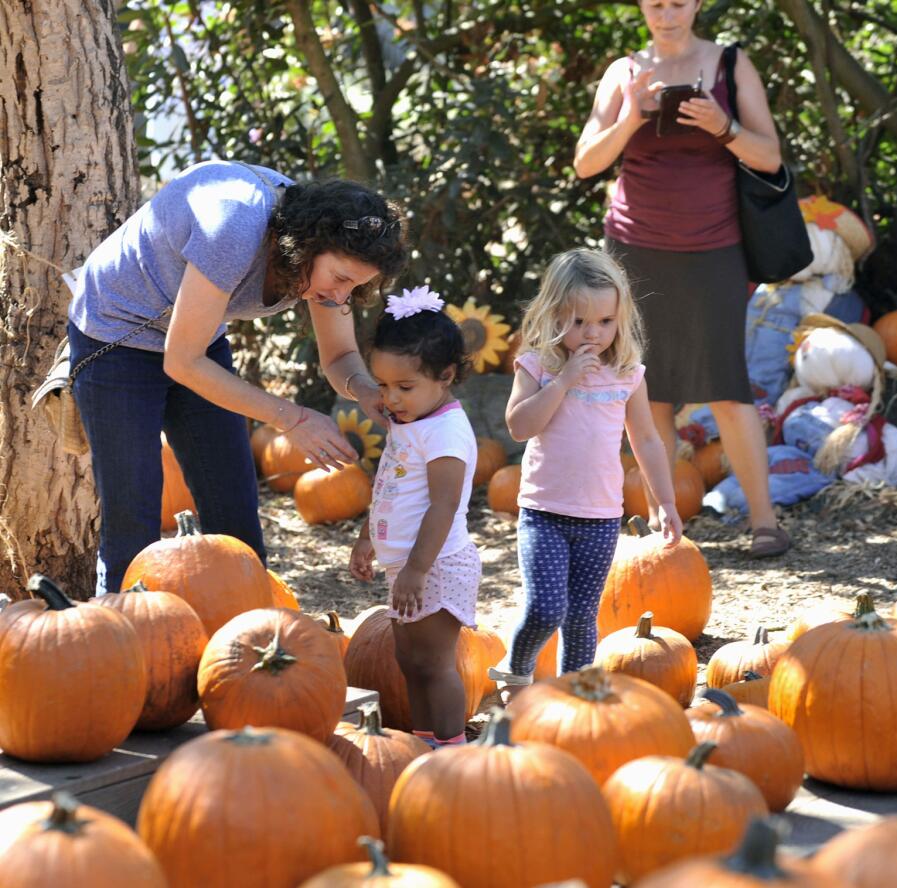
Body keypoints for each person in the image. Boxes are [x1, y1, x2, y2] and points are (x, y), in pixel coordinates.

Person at [67, 159, 404, 594]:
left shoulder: (331, 257)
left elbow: (339, 355)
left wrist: (364, 391)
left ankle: (247, 632)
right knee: (134, 512)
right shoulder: (234, 226)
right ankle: (124, 638)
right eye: (338, 278)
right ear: (306, 245)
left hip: (194, 339)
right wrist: (294, 418)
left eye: (354, 287)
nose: (340, 296)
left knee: (233, 501)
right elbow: (182, 363)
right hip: (116, 331)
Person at [573, 0, 791, 558]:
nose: (665, 13)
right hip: (635, 252)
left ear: (696, 4)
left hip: (715, 248)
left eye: (677, 2)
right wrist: (631, 117)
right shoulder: (624, 72)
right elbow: (585, 163)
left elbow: (768, 156)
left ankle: (765, 522)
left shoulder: (730, 65)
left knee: (727, 385)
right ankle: (660, 528)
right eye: (655, 2)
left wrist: (723, 126)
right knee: (650, 390)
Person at [487, 248, 683, 700]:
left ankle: (574, 698)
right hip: (545, 513)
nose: (593, 333)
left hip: (600, 518)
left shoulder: (627, 373)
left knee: (580, 617)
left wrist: (666, 501)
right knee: (545, 608)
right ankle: (517, 666)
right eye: (578, 323)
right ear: (554, 314)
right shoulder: (537, 364)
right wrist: (564, 381)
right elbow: (519, 427)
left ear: (621, 317)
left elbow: (647, 440)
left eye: (605, 322)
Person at [348, 286, 479, 748]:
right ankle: (425, 741)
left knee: (434, 664)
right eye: (382, 385)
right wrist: (369, 537)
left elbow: (443, 504)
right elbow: (390, 483)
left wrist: (418, 569)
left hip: (436, 566)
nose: (391, 398)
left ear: (444, 376)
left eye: (405, 387)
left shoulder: (445, 431)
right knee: (409, 661)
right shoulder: (408, 422)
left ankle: (450, 747)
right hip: (407, 566)